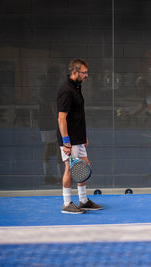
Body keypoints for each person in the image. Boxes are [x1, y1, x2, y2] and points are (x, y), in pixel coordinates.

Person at [57, 58, 102, 214]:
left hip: (78, 138)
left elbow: (77, 115)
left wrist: (83, 137)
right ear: (74, 72)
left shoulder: (76, 87)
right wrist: (66, 142)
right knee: (69, 169)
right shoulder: (66, 90)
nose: (87, 75)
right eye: (84, 72)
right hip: (69, 139)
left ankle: (83, 201)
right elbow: (61, 118)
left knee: (84, 165)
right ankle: (66, 203)